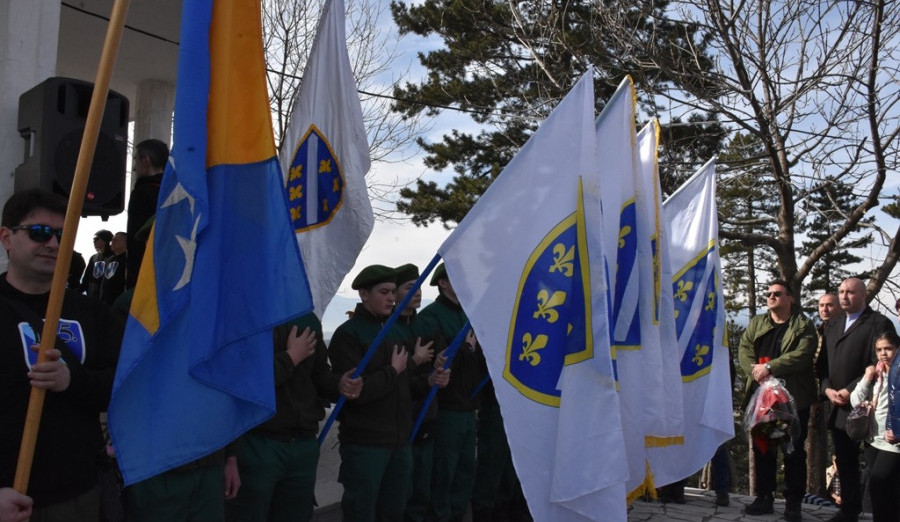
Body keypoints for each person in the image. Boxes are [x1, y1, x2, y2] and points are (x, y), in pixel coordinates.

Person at [0, 189, 122, 521]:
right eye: (39, 233)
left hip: (78, 494)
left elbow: (122, 385)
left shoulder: (94, 314)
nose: (52, 244)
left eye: (61, 234)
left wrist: (72, 381)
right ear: (7, 238)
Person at [226, 312, 362, 522]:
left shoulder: (308, 320)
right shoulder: (249, 316)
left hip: (302, 444)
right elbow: (245, 383)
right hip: (259, 442)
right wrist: (290, 358)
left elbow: (319, 377)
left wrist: (339, 384)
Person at [327, 265, 424, 522]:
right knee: (362, 512)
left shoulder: (397, 332)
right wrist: (393, 371)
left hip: (400, 441)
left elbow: (407, 384)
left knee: (394, 510)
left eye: (393, 291)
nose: (391, 297)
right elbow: (356, 391)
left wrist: (431, 377)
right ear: (363, 294)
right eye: (383, 292)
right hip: (365, 445)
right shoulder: (348, 335)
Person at [818, 277, 897, 522]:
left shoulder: (878, 322)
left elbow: (883, 360)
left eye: (850, 292)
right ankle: (849, 510)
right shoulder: (832, 324)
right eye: (841, 291)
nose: (844, 296)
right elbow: (822, 364)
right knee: (845, 460)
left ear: (863, 295)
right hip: (839, 406)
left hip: (872, 405)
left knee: (879, 470)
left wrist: (849, 390)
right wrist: (827, 390)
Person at [739, 280, 817, 521]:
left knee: (792, 451)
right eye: (769, 293)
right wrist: (756, 372)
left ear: (790, 298)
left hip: (792, 399)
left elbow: (802, 356)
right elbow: (744, 348)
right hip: (763, 398)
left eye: (777, 294)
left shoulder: (803, 325)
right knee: (763, 448)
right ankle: (764, 497)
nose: (771, 297)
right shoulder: (758, 322)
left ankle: (793, 503)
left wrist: (770, 367)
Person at [419, 263, 486, 522]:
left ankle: (457, 516)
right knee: (444, 473)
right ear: (443, 283)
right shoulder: (431, 316)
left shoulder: (469, 314)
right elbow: (437, 362)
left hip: (469, 405)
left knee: (465, 471)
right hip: (446, 408)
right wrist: (466, 350)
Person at [392, 264, 443, 522]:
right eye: (409, 287)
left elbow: (438, 363)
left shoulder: (427, 325)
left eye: (419, 287)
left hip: (427, 416)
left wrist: (441, 370)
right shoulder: (389, 328)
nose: (417, 292)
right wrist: (416, 362)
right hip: (400, 420)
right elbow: (396, 377)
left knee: (422, 489)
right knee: (400, 491)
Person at [848, 331, 900, 522]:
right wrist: (866, 378)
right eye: (879, 350)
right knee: (884, 489)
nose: (883, 353)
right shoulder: (876, 373)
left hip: (893, 440)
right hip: (872, 437)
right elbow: (855, 400)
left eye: (888, 348)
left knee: (879, 483)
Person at [126, 139, 167, 290]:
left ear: (146, 160)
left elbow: (136, 242)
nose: (135, 168)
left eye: (136, 160)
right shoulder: (174, 194)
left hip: (145, 280)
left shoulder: (141, 194)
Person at [81, 229, 113, 298]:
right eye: (94, 239)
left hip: (107, 298)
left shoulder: (114, 257)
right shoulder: (94, 258)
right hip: (92, 297)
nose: (94, 241)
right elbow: (86, 278)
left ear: (105, 241)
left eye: (97, 239)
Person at [99, 232, 127, 306]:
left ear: (125, 242)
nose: (112, 243)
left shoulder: (128, 260)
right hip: (105, 302)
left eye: (116, 240)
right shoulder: (110, 260)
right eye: (112, 240)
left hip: (119, 302)